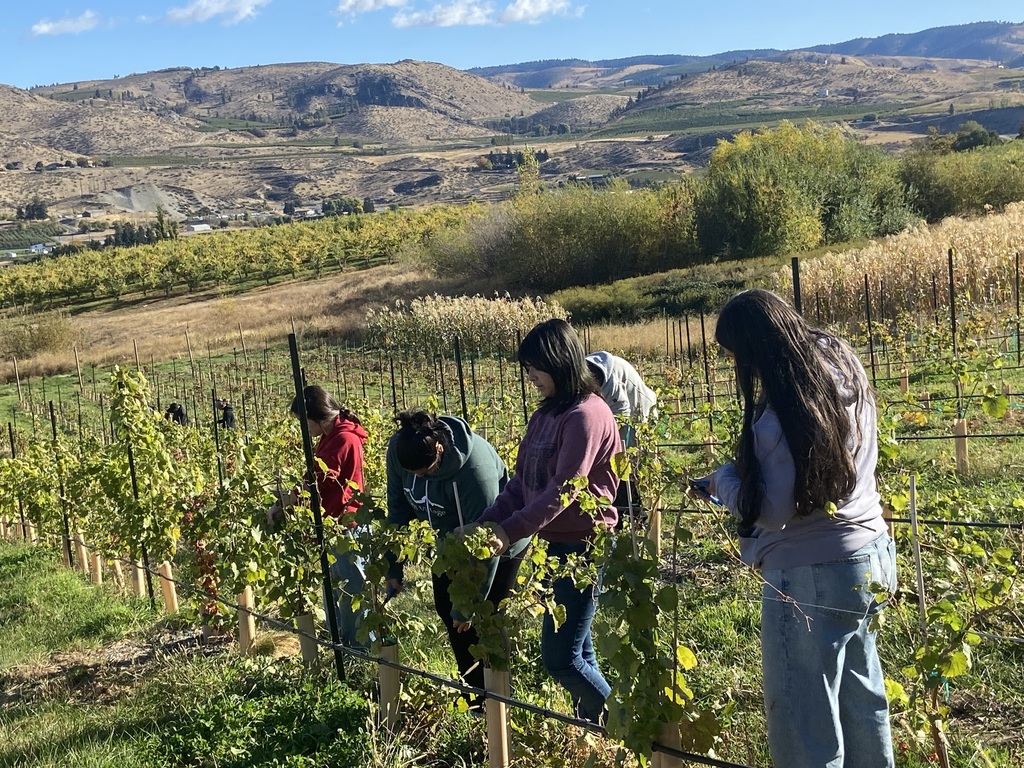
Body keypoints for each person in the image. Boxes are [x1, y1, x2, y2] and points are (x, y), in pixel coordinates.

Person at [700, 289, 896, 768]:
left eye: (736, 357)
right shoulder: (840, 362)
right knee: (861, 698)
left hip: (810, 574)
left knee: (804, 725)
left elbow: (771, 510)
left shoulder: (781, 416)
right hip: (870, 556)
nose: (738, 369)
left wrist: (723, 480)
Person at [464, 318, 621, 724]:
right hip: (555, 545)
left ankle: (624, 723)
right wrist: (486, 523)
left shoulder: (586, 415)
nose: (530, 376)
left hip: (583, 546)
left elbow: (563, 491)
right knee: (579, 650)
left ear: (558, 361)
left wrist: (509, 530)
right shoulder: (547, 414)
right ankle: (599, 727)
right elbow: (522, 484)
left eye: (535, 367)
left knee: (561, 660)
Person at [384, 410, 530, 705]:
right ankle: (475, 695)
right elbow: (397, 509)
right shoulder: (400, 452)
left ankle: (500, 699)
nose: (418, 478)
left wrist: (466, 607)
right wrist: (393, 566)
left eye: (424, 472)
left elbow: (485, 544)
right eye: (412, 474)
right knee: (446, 609)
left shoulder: (476, 471)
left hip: (500, 543)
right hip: (448, 544)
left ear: (439, 448)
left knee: (485, 615)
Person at [289, 385, 368, 648]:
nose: (304, 428)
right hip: (333, 526)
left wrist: (288, 500)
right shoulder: (331, 436)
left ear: (315, 417)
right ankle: (346, 650)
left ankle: (361, 654)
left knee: (351, 597)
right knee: (335, 596)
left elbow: (320, 484)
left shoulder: (343, 439)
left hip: (346, 527)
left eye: (304, 422)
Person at [585, 351, 657, 526]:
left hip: (637, 409)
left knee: (623, 463)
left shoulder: (606, 380)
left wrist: (602, 438)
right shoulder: (582, 376)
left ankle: (636, 517)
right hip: (617, 409)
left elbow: (622, 412)